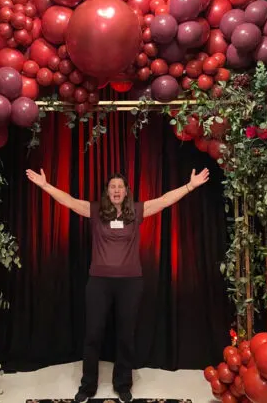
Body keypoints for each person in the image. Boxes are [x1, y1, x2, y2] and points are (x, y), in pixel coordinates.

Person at [25, 168, 210, 403]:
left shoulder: (136, 211)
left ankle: (123, 384)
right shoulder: (96, 211)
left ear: (126, 192)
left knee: (126, 336)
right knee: (92, 335)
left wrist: (190, 186)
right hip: (99, 283)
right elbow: (70, 202)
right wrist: (45, 185)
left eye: (120, 187)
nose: (116, 190)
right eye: (112, 187)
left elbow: (164, 201)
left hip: (130, 284)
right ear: (107, 191)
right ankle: (88, 385)